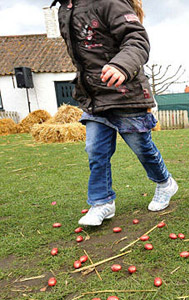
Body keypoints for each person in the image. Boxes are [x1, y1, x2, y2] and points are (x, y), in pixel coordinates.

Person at [51, 0, 178, 226]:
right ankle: (102, 202)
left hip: (126, 92)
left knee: (142, 148)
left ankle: (165, 183)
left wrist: (121, 66)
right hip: (94, 96)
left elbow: (137, 39)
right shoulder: (64, 10)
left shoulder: (107, 2)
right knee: (95, 149)